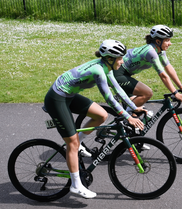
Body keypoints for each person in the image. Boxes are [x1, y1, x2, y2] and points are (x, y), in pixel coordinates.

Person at [44, 40, 145, 199]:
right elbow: (110, 98)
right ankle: (76, 185)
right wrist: (127, 117)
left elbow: (118, 89)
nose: (122, 61)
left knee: (102, 115)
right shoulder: (98, 70)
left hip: (69, 95)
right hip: (57, 98)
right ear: (110, 58)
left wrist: (132, 107)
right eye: (119, 58)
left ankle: (78, 144)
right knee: (71, 142)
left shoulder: (107, 66)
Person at [114, 25, 182, 109]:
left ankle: (128, 114)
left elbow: (169, 68)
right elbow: (163, 75)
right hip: (117, 72)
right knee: (147, 93)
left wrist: (180, 86)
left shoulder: (160, 51)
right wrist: (175, 93)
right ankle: (127, 117)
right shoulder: (151, 52)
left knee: (137, 104)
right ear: (158, 41)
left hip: (125, 74)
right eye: (167, 40)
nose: (170, 43)